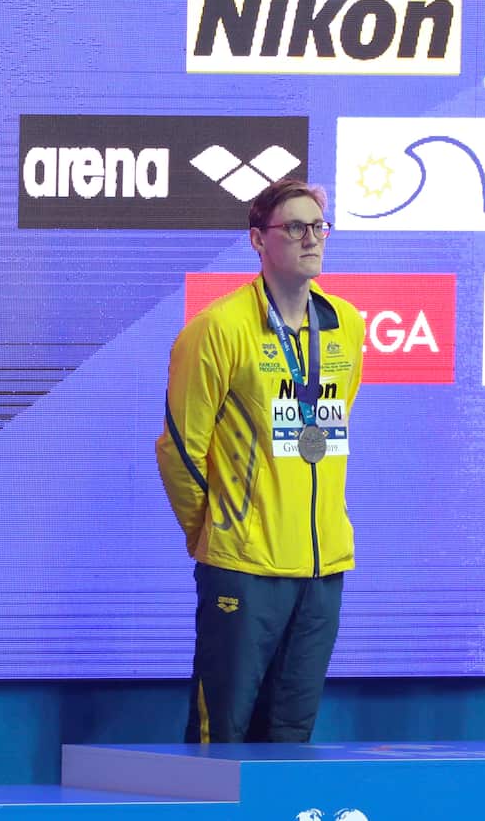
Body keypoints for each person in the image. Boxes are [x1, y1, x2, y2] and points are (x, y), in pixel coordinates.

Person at [156, 177, 365, 743]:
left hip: (322, 570)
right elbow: (180, 448)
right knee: (221, 734)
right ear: (257, 239)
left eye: (318, 226)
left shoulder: (347, 326)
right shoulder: (217, 329)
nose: (311, 238)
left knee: (291, 735)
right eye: (294, 227)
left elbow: (330, 430)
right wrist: (217, 532)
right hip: (244, 567)